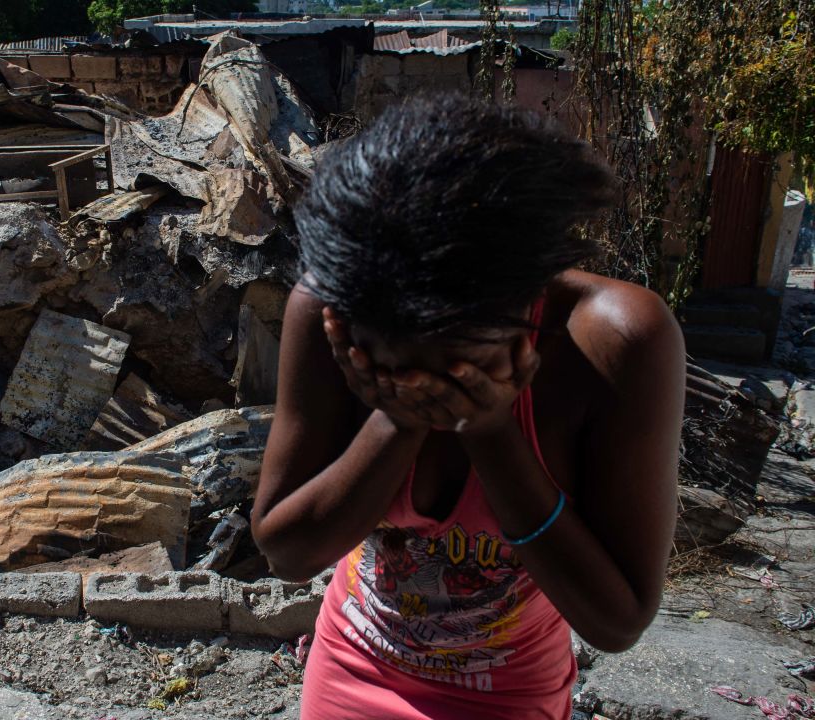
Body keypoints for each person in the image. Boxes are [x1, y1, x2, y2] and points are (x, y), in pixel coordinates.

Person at [251, 95, 685, 719]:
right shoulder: (336, 307)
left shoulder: (615, 341)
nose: (416, 381)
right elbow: (287, 553)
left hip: (507, 694)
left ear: (524, 303)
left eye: (447, 363)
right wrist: (397, 418)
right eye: (388, 366)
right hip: (351, 667)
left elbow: (616, 623)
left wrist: (489, 429)